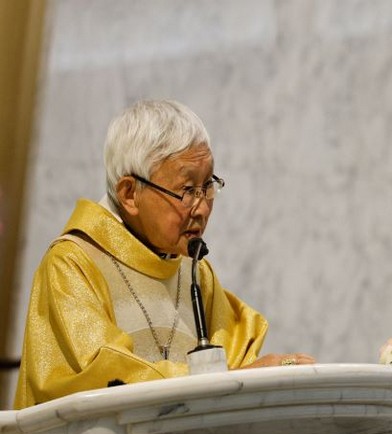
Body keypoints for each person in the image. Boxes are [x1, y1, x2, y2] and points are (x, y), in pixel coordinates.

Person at [14, 99, 314, 409]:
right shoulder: (74, 265)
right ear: (130, 194)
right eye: (187, 190)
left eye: (208, 185)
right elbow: (104, 383)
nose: (202, 207)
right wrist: (242, 377)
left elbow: (236, 369)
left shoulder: (196, 273)